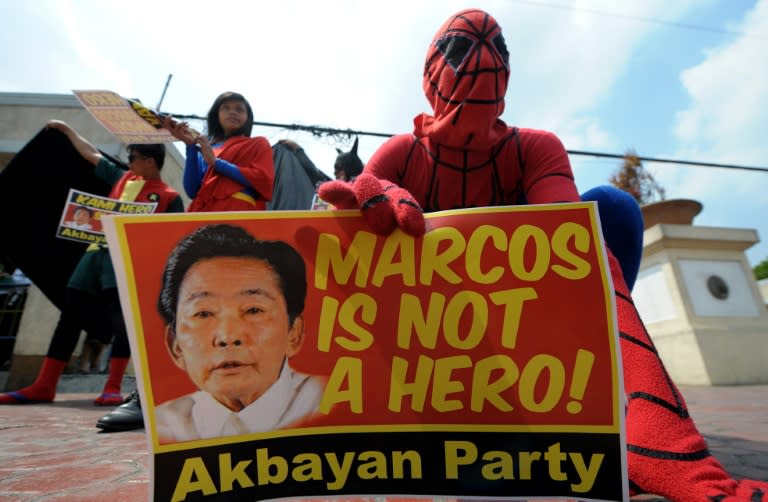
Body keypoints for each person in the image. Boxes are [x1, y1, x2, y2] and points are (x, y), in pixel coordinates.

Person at [318, 8, 768, 502]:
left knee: (609, 211)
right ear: (430, 73)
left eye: (498, 49)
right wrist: (370, 198)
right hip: (429, 333)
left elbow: (574, 247)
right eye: (460, 49)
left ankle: (640, 419)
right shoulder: (402, 151)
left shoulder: (535, 147)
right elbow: (358, 222)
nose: (483, 60)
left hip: (528, 319)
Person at [0, 120, 184, 407]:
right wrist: (66, 129)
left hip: (124, 262)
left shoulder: (169, 197)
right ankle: (44, 385)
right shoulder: (122, 179)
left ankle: (112, 386)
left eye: (133, 158)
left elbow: (170, 240)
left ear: (149, 161)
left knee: (121, 320)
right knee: (69, 316)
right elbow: (90, 154)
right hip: (93, 255)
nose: (129, 162)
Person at [151, 223, 323, 444]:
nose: (228, 337)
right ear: (175, 346)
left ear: (294, 334)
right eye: (203, 313)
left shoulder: (333, 404)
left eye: (253, 310)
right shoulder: (164, 428)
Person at [162, 91, 274, 212]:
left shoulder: (258, 143)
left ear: (248, 118)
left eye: (239, 109)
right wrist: (190, 147)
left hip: (236, 212)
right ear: (217, 115)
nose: (233, 112)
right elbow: (192, 190)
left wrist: (216, 162)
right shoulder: (206, 147)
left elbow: (263, 179)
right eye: (226, 108)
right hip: (201, 214)